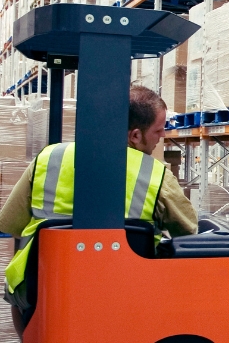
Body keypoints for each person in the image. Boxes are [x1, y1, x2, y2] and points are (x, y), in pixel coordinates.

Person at [0, 86, 198, 336]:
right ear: (135, 135)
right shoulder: (156, 175)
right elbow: (189, 233)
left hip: (44, 288)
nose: (162, 136)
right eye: (158, 130)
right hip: (129, 292)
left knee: (16, 292)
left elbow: (11, 224)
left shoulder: (49, 158)